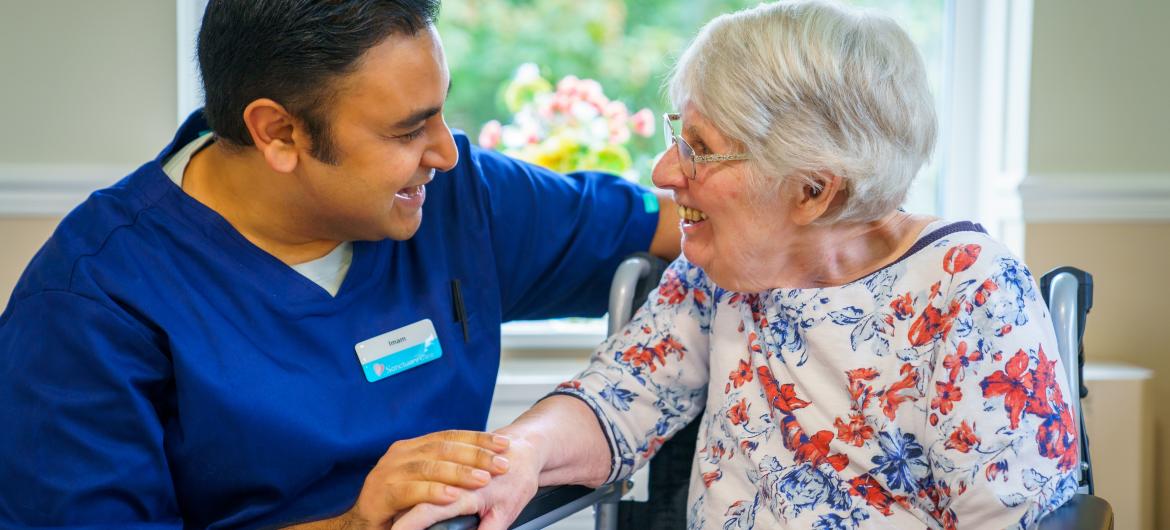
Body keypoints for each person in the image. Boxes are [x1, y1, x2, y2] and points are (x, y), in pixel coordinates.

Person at [392, 1, 1081, 529]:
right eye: (676, 135)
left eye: (701, 148)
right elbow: (616, 403)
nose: (665, 172)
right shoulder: (715, 272)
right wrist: (519, 453)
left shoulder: (968, 291)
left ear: (815, 191)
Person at [0, 1, 679, 528]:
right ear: (280, 133)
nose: (444, 151)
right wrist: (356, 523)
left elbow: (682, 226)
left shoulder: (456, 198)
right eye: (407, 129)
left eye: (440, 114)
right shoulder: (87, 306)